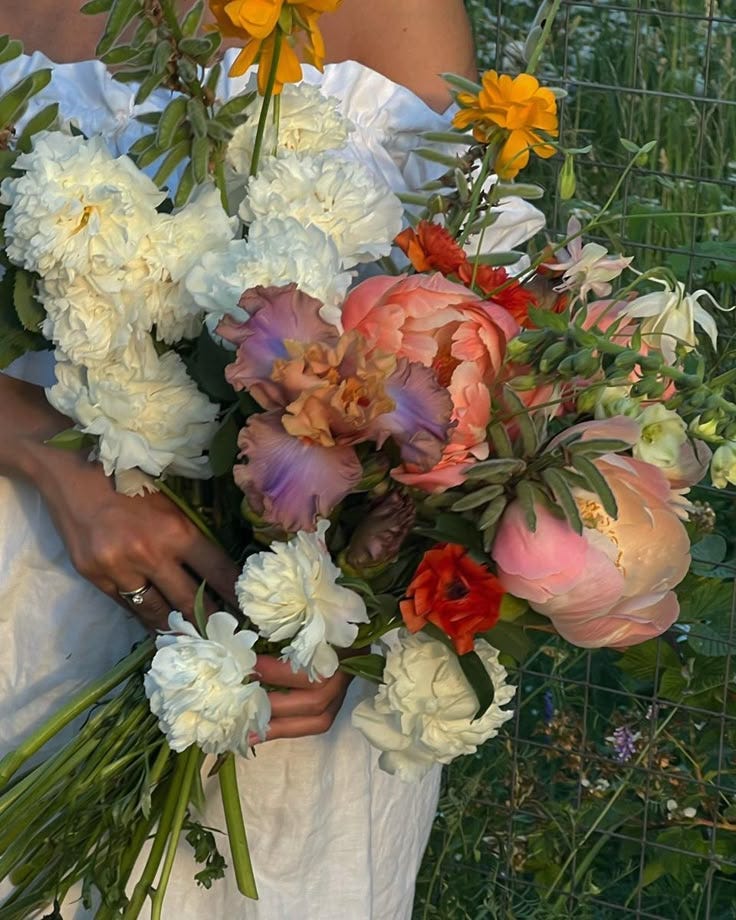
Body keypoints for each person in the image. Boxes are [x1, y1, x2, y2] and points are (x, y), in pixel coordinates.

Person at [0, 2, 480, 918]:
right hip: (19, 603)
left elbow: (457, 356)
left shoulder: (401, 15)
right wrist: (48, 457)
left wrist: (359, 601)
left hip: (282, 678)